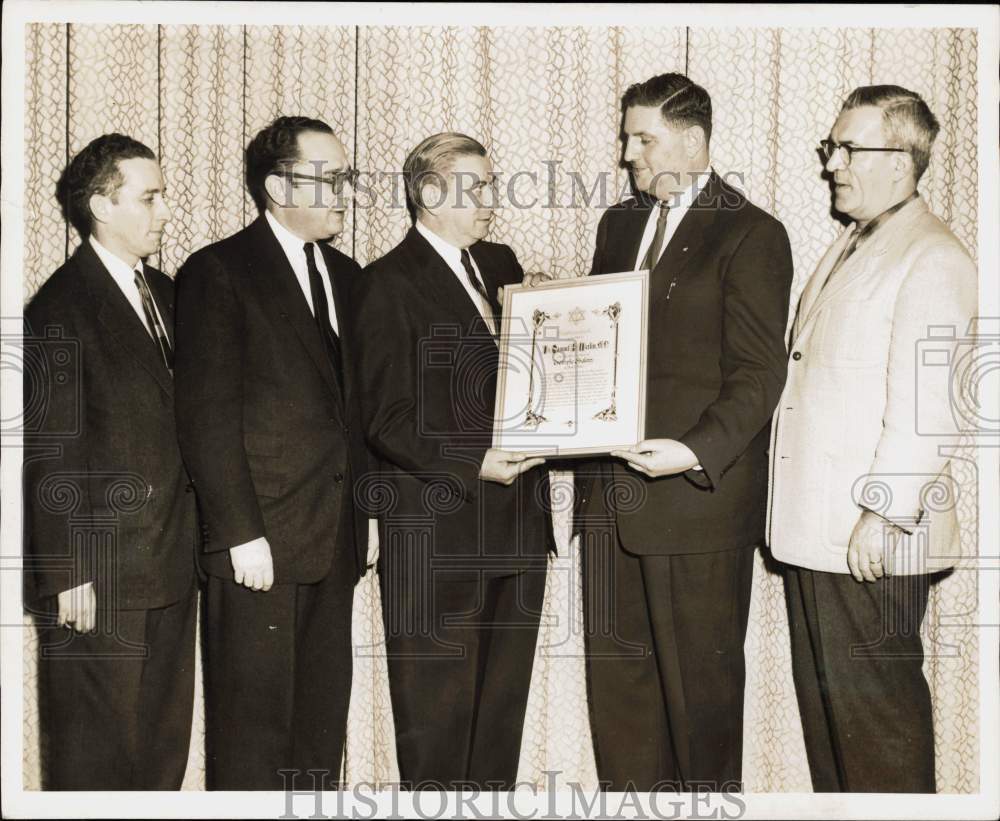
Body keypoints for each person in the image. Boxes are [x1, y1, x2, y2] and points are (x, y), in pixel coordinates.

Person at [577, 72, 794, 791]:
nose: (627, 153)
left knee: (699, 714)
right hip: (610, 505)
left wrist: (693, 449)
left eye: (643, 138)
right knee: (622, 709)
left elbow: (760, 374)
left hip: (696, 509)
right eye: (627, 136)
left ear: (694, 142)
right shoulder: (617, 224)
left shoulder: (752, 233)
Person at [767, 85, 976, 793]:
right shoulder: (857, 242)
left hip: (869, 537)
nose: (832, 164)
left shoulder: (933, 255)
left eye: (849, 148)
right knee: (835, 732)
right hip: (820, 531)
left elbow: (931, 406)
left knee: (877, 735)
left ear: (902, 160)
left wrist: (884, 511)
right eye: (832, 147)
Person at [172, 116, 370, 790]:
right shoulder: (217, 271)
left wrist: (362, 519)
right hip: (258, 545)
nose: (346, 191)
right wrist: (238, 532)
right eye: (332, 177)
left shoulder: (348, 275)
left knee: (319, 734)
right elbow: (206, 417)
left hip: (333, 540)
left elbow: (351, 414)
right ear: (279, 185)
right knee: (253, 742)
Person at [353, 132, 550, 789]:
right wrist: (474, 463)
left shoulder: (500, 263)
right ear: (432, 194)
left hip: (518, 532)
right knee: (436, 741)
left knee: (499, 732)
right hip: (437, 545)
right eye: (480, 188)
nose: (493, 202)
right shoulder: (384, 285)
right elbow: (386, 419)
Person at [23, 133, 198, 789]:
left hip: (172, 566)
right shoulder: (59, 309)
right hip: (100, 583)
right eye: (148, 198)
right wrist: (70, 572)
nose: (163, 211)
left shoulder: (169, 292)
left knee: (160, 755)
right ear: (102, 204)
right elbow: (49, 452)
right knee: (96, 762)